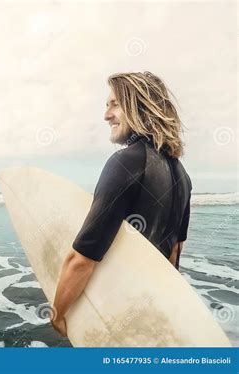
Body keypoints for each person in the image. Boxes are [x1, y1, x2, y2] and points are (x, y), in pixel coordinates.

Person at [51, 72, 192, 337]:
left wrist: (58, 314)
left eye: (114, 104)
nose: (106, 115)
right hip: (151, 316)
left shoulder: (126, 162)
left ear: (138, 106)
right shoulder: (182, 175)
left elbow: (82, 258)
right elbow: (173, 254)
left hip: (117, 311)